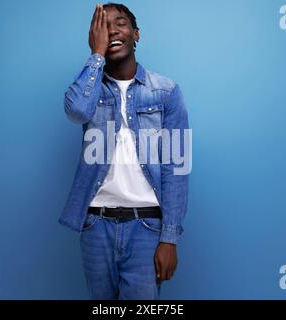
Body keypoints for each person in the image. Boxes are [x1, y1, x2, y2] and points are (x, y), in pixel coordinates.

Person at [59, 3, 190, 300]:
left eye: (120, 23)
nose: (113, 30)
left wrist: (170, 238)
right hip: (96, 225)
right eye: (104, 26)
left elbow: (177, 167)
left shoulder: (166, 92)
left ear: (136, 34)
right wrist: (96, 56)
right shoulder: (89, 90)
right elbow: (77, 110)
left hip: (146, 227)